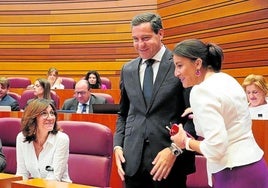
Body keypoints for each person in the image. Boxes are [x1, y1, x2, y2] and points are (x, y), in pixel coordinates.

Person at [170, 39, 268, 188]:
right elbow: (230, 114)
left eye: (179, 66)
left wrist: (185, 142)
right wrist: (199, 113)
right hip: (255, 166)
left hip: (234, 173)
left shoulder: (200, 91)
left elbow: (215, 149)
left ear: (197, 63)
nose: (176, 73)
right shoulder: (226, 79)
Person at [113, 12, 196, 188]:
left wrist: (175, 150)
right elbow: (124, 114)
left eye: (146, 38)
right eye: (135, 39)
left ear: (161, 34)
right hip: (132, 162)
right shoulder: (127, 69)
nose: (140, 45)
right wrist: (118, 146)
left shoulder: (180, 64)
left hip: (169, 162)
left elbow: (195, 118)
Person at [16, 98, 71, 182]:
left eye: (52, 113)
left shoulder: (62, 139)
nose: (50, 118)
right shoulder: (22, 138)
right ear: (33, 118)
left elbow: (54, 178)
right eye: (44, 113)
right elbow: (22, 173)